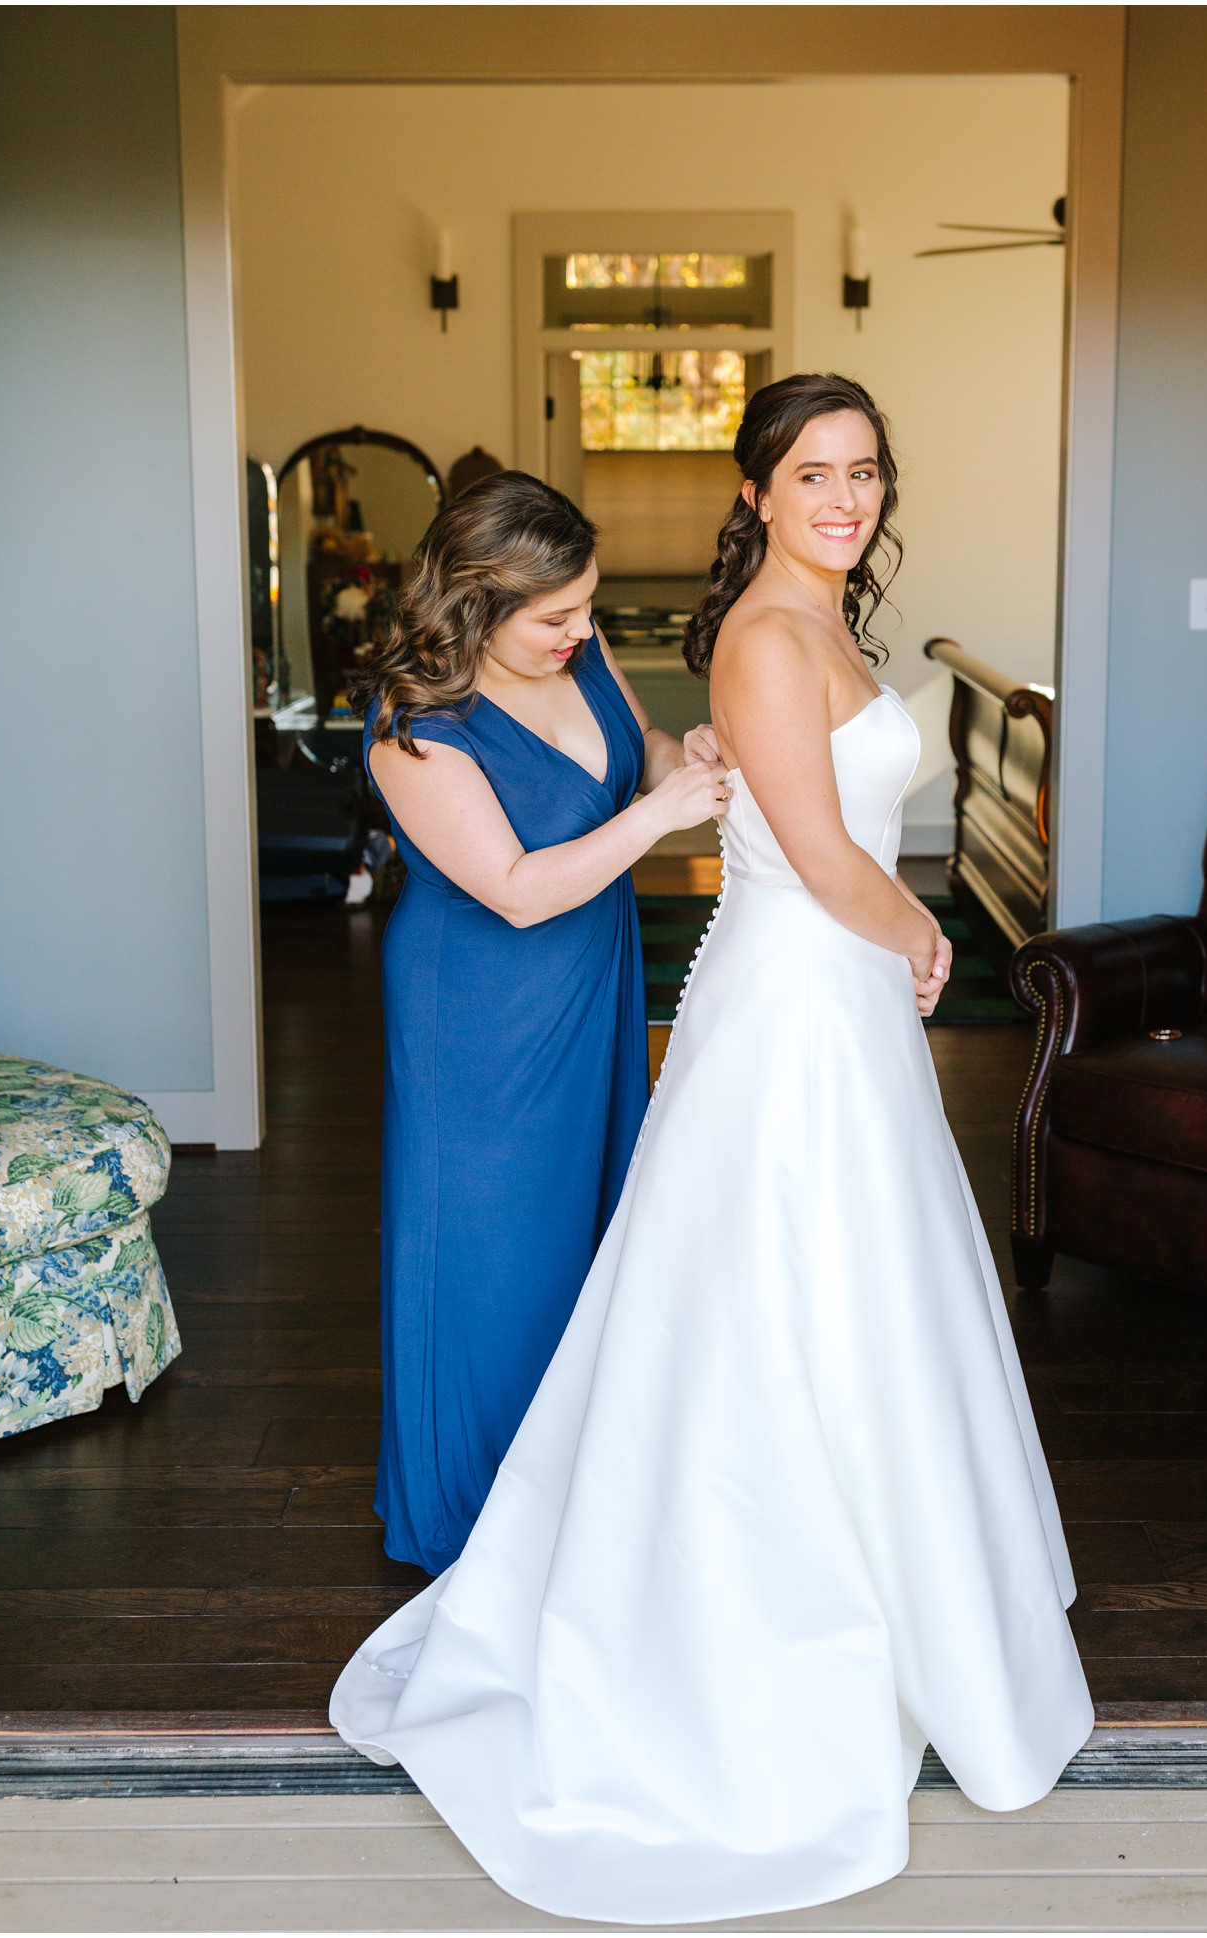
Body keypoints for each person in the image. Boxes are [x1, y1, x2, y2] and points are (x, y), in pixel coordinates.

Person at [332, 376, 1094, 1923]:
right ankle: (503, 1536)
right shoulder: (429, 726)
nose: (844, 495)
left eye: (864, 470)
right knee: (540, 1261)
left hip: (673, 986)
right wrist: (915, 929)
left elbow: (714, 771)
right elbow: (740, 854)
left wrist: (710, 782)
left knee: (667, 1263)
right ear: (759, 491)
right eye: (813, 471)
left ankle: (837, 1562)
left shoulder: (706, 642)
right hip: (524, 993)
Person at [353, 470, 729, 1576]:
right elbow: (514, 886)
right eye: (554, 615)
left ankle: (575, 1489)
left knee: (587, 1234)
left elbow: (638, 744)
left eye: (588, 606)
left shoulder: (579, 646)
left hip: (587, 981)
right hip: (479, 1016)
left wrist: (685, 758)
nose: (580, 630)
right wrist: (663, 817)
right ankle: (472, 1513)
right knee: (491, 1254)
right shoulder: (412, 729)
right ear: (475, 606)